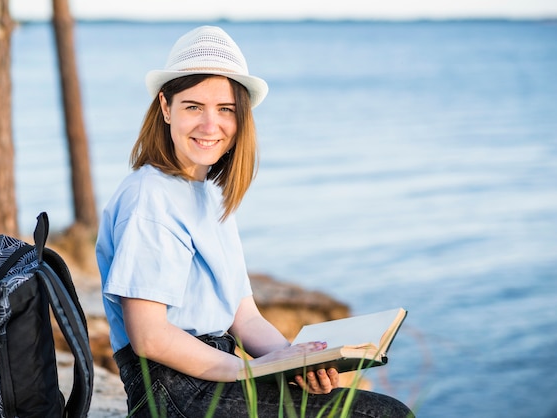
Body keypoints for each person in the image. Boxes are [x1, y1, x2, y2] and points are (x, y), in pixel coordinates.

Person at [96, 25, 414, 418]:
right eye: (193, 106)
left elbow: (243, 316)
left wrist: (294, 360)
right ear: (165, 107)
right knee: (383, 415)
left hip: (214, 375)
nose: (210, 125)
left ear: (240, 117)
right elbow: (149, 337)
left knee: (374, 407)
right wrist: (247, 370)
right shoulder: (149, 196)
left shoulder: (210, 195)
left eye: (225, 109)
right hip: (174, 393)